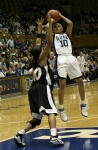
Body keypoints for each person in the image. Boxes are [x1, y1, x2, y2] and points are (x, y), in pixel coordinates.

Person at [14, 16, 64, 147]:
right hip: (42, 87)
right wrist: (49, 28)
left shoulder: (36, 57)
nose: (43, 48)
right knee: (52, 112)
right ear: (41, 52)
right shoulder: (42, 58)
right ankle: (54, 136)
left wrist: (40, 27)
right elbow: (48, 41)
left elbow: (38, 41)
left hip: (33, 90)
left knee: (36, 119)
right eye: (42, 49)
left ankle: (20, 134)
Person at [52, 12, 88, 122]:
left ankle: (83, 104)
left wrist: (60, 16)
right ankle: (61, 108)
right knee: (62, 84)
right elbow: (49, 27)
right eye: (55, 27)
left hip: (71, 58)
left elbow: (71, 23)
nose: (57, 27)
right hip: (61, 59)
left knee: (81, 81)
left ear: (62, 28)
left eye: (59, 25)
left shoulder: (66, 35)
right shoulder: (54, 36)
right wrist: (51, 21)